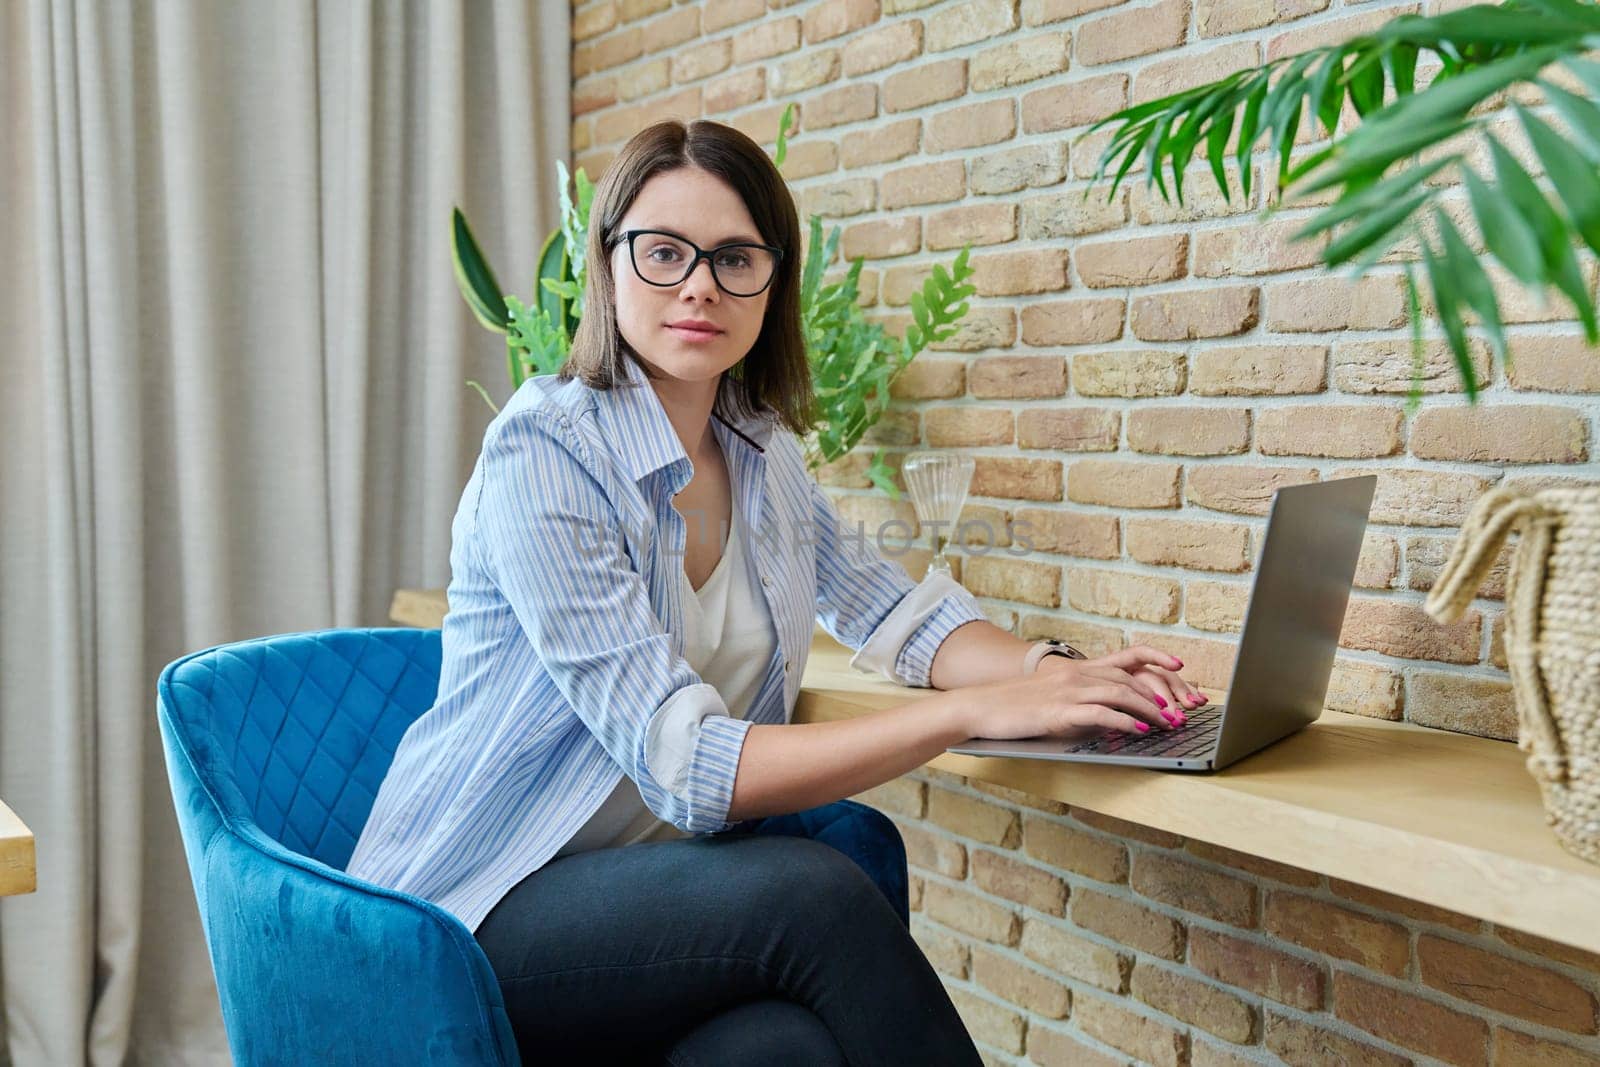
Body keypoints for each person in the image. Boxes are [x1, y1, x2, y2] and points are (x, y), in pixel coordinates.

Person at [345, 118, 1203, 1065]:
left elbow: (893, 614)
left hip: (644, 897)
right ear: (609, 264)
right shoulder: (545, 451)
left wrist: (1053, 674)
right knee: (814, 890)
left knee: (785, 1047)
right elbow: (689, 765)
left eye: (735, 256)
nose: (700, 283)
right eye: (664, 252)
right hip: (475, 910)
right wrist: (970, 713)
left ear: (771, 281)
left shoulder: (761, 451)